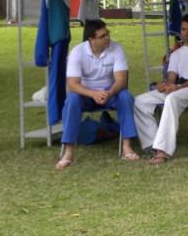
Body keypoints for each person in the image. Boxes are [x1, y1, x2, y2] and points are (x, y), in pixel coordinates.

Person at [55, 19, 139, 169]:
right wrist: (93, 94)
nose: (107, 38)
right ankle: (69, 152)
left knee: (125, 96)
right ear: (91, 39)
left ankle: (127, 146)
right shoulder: (77, 52)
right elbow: (72, 84)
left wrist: (109, 92)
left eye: (108, 34)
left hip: (109, 91)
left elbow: (121, 80)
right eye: (102, 36)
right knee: (72, 100)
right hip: (86, 93)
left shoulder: (116, 48)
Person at [134, 13, 188, 165]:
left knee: (171, 98)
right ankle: (150, 144)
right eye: (183, 29)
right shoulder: (176, 53)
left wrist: (178, 87)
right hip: (178, 88)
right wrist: (165, 85)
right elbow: (172, 76)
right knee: (140, 101)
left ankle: (163, 150)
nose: (186, 33)